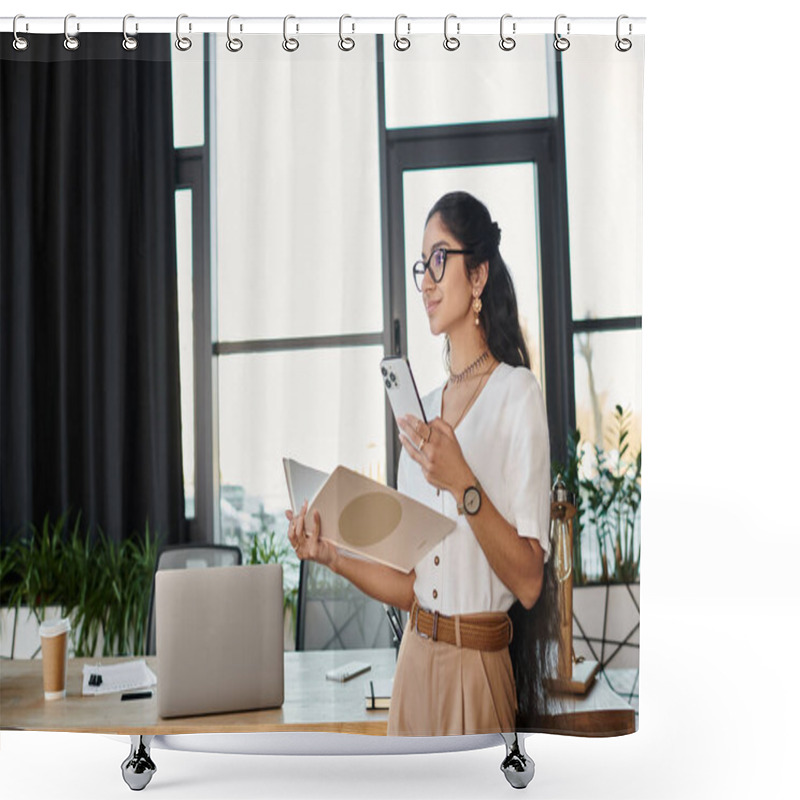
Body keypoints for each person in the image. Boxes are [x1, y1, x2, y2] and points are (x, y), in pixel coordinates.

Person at [287, 190, 558, 736]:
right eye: (422, 265)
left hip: (477, 669)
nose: (427, 281)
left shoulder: (517, 394)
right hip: (413, 663)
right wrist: (331, 556)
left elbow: (530, 581)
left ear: (477, 276)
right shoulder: (421, 412)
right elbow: (413, 585)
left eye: (441, 258)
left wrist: (463, 483)